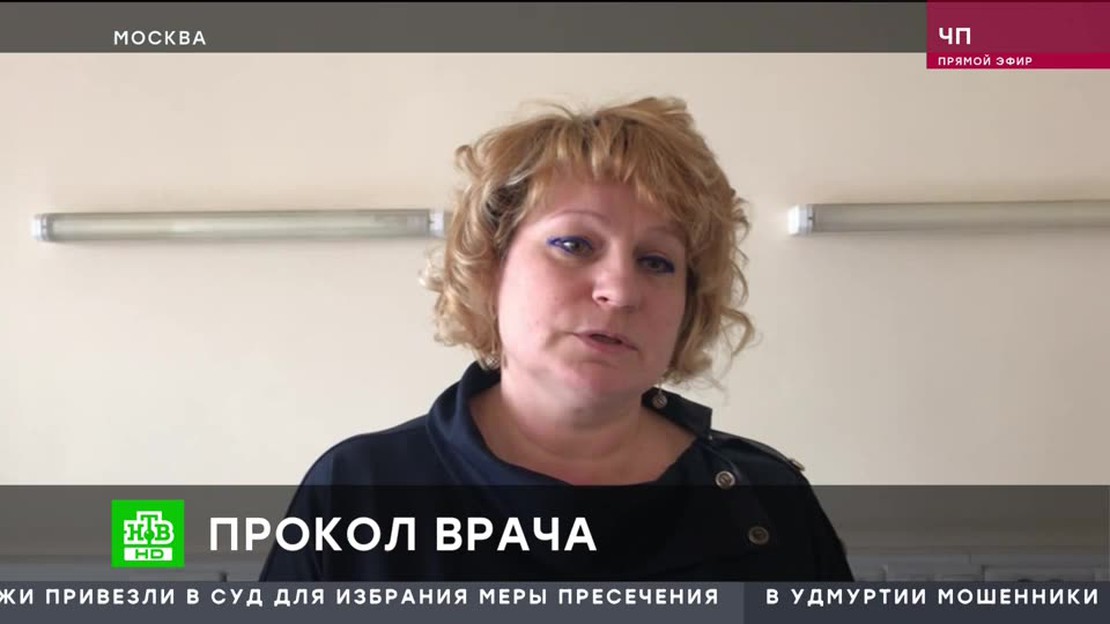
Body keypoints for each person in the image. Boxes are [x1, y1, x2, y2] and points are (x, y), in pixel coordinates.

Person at [259, 96, 854, 582]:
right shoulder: (359, 490)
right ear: (490, 269)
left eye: (656, 261)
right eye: (575, 244)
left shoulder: (768, 501)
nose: (620, 290)